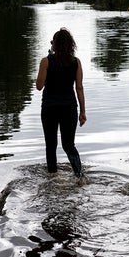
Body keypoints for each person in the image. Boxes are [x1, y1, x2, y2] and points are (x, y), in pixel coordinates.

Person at [35, 28, 87, 181]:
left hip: (50, 108)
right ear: (70, 44)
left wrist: (50, 55)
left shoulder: (46, 61)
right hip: (69, 108)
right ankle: (79, 176)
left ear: (54, 44)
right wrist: (83, 112)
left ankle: (53, 178)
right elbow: (79, 88)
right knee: (68, 145)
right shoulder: (76, 62)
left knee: (51, 144)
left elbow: (39, 86)